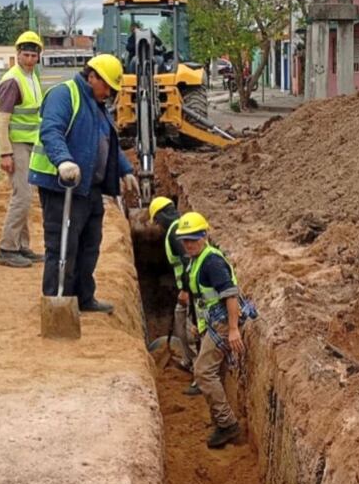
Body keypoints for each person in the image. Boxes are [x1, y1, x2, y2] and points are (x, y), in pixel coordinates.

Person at [28, 54, 139, 312]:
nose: (110, 93)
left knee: (90, 245)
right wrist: (63, 161)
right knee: (63, 246)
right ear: (92, 77)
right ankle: (58, 306)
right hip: (61, 186)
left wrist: (125, 169)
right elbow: (51, 131)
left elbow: (105, 141)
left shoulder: (97, 104)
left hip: (89, 187)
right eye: (108, 87)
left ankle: (83, 298)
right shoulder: (64, 95)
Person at [175, 212, 258, 448]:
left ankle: (227, 425)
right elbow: (199, 296)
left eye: (193, 239)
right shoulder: (196, 259)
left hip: (223, 321)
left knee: (202, 371)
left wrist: (233, 330)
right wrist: (197, 324)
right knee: (214, 372)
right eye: (185, 240)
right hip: (212, 320)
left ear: (204, 235)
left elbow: (230, 295)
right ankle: (220, 420)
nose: (189, 244)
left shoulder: (211, 262)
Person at [0, 30, 46, 268]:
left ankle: (21, 246)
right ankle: (7, 248)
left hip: (29, 143)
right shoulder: (13, 80)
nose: (29, 59)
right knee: (22, 195)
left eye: (33, 55)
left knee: (26, 195)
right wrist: (5, 153)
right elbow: (0, 120)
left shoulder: (32, 76)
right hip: (15, 144)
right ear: (17, 54)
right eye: (25, 55)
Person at [148, 196, 198, 392]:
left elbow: (188, 262)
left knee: (190, 331)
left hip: (195, 291)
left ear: (160, 217)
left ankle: (200, 376)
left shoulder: (176, 232)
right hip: (190, 289)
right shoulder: (178, 228)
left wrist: (186, 290)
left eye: (157, 221)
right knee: (180, 318)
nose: (157, 226)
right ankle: (188, 361)